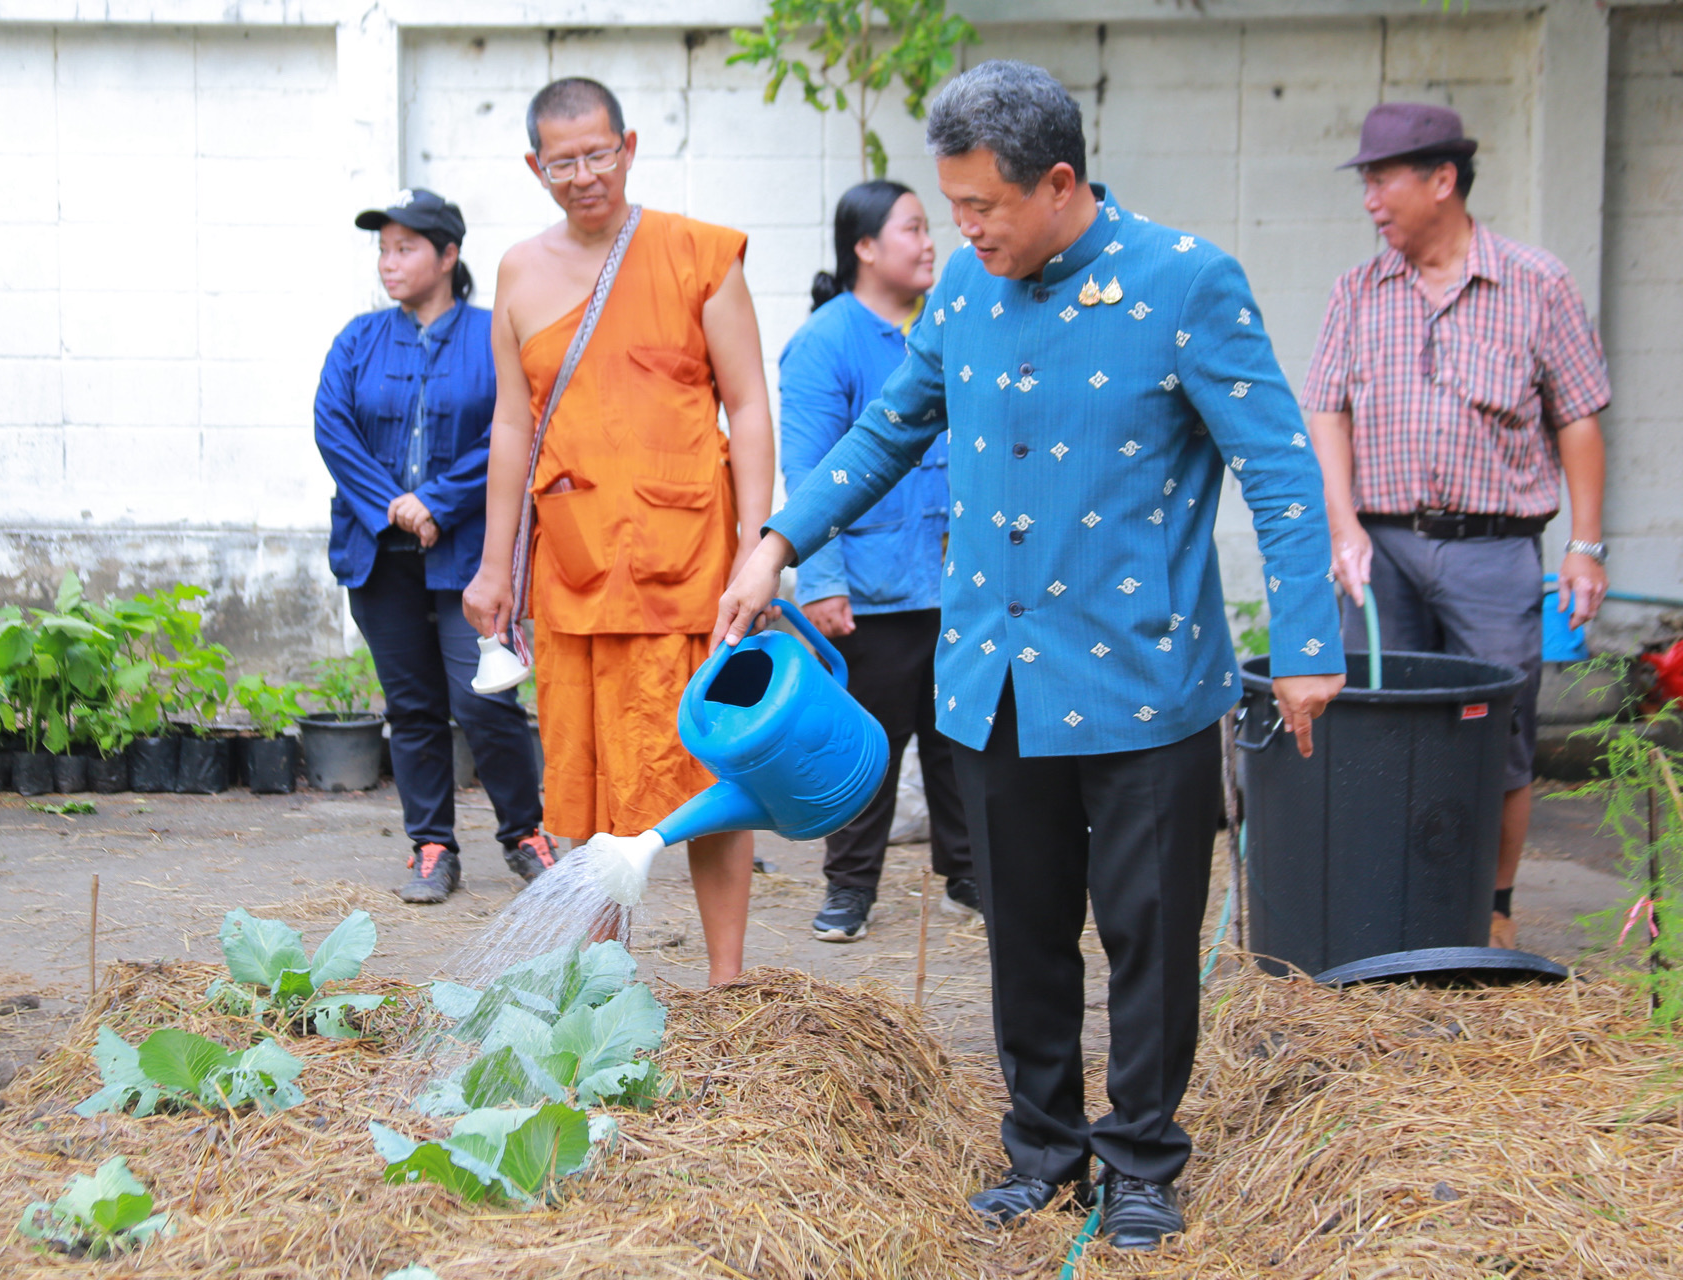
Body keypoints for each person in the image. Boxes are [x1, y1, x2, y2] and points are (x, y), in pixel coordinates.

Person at [714, 62, 1346, 1249]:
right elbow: (887, 428)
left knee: (1150, 932)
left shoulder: (1185, 282)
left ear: (1061, 184)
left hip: (1143, 678)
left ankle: (1145, 1156)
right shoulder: (964, 290)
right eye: (951, 209)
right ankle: (1043, 1146)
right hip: (994, 683)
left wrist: (1308, 643)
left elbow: (1280, 467)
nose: (964, 231)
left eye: (985, 208)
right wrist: (779, 544)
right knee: (1023, 927)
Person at [462, 78, 775, 986]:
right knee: (587, 785)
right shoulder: (519, 271)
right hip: (576, 566)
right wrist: (493, 569)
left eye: (600, 153)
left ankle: (727, 980)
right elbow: (513, 427)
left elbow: (749, 406)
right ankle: (605, 981)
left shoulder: (698, 255)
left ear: (629, 146)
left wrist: (760, 548)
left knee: (716, 773)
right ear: (536, 167)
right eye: (564, 161)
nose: (586, 174)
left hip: (693, 566)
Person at [1303, 104, 1611, 951]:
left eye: (1382, 178)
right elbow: (1326, 410)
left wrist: (1585, 547)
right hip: (1384, 550)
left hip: (1494, 550)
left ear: (1443, 181)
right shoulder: (1356, 292)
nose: (1370, 198)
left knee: (1496, 734)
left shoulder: (1536, 282)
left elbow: (1578, 418)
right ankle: (1377, 903)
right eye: (1365, 180)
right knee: (1371, 723)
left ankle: (1491, 906)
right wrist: (1343, 526)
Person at [314, 189, 554, 905]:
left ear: (449, 255)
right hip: (379, 555)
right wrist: (394, 507)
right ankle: (431, 845)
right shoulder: (359, 339)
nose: (390, 262)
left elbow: (518, 428)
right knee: (412, 706)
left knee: (485, 700)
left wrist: (439, 502)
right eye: (383, 249)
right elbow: (333, 426)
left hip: (469, 555)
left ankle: (524, 834)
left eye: (406, 248)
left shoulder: (493, 334)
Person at [780, 179, 975, 943]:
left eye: (930, 229)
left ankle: (969, 875)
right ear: (864, 248)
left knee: (961, 739)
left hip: (957, 585)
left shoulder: (950, 325)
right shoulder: (827, 341)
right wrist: (821, 580)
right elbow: (811, 470)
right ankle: (849, 888)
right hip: (870, 590)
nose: (930, 243)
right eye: (913, 229)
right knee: (869, 748)